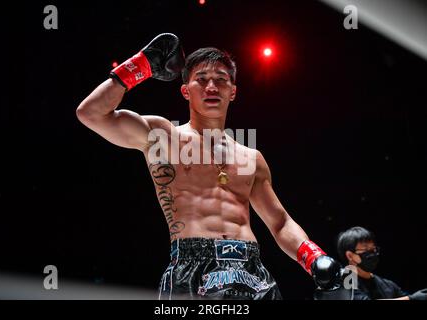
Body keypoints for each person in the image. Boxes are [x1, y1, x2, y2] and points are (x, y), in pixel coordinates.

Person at [76, 33, 341, 300]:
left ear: (233, 91)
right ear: (185, 91)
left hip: (253, 273)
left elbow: (280, 223)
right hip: (193, 269)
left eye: (221, 80)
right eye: (201, 80)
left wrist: (313, 256)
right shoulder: (163, 137)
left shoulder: (252, 157)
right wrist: (142, 65)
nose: (211, 86)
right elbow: (91, 113)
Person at [334, 226, 427, 300]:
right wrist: (411, 298)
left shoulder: (388, 285)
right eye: (366, 249)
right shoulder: (343, 281)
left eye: (373, 249)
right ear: (350, 255)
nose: (372, 254)